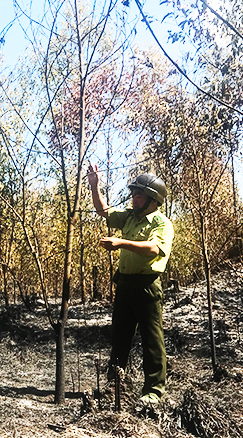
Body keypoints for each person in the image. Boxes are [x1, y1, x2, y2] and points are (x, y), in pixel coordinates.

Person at [86, 164, 174, 405]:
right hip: (125, 284)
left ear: (152, 200)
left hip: (147, 286)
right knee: (120, 336)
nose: (134, 199)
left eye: (139, 195)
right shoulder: (129, 216)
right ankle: (114, 386)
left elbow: (154, 249)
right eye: (134, 194)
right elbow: (103, 210)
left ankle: (153, 392)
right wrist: (94, 186)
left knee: (151, 339)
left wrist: (120, 243)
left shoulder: (162, 224)